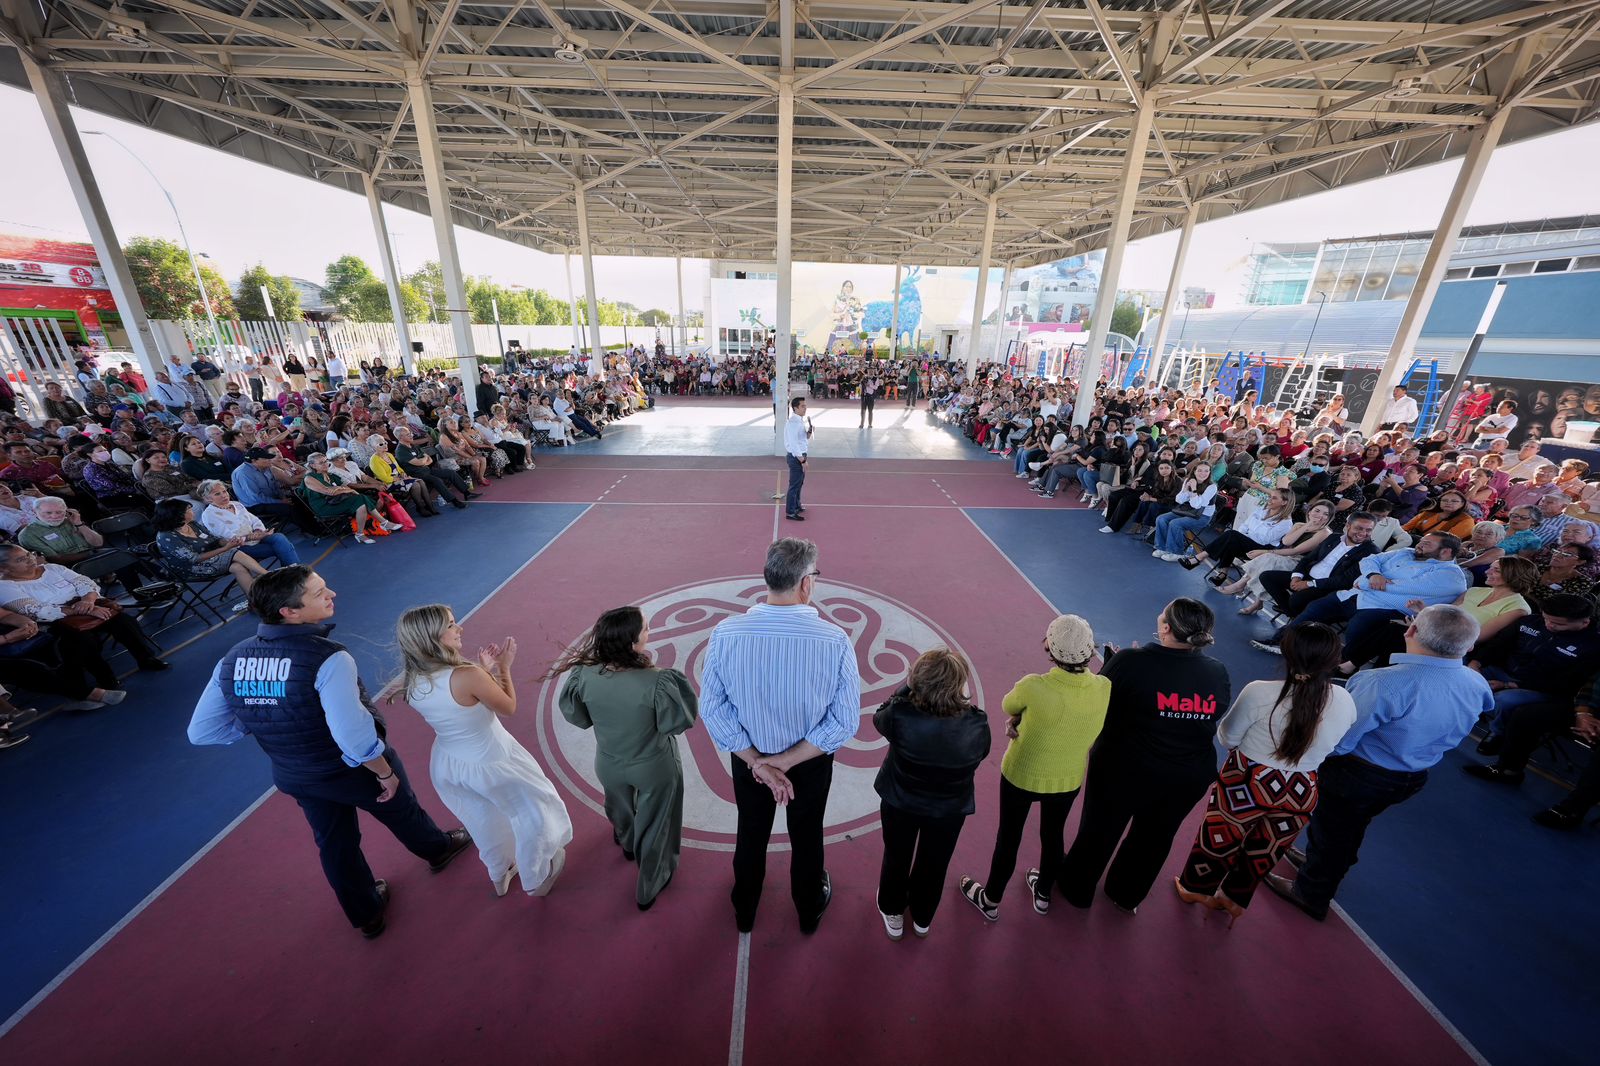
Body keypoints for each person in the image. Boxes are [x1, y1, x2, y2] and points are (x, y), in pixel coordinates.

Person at [187, 567, 471, 937]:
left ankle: (366, 914)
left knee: (335, 844)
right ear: (289, 611)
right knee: (401, 809)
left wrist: (266, 717)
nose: (332, 593)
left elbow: (203, 731)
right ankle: (437, 850)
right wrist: (383, 770)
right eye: (319, 592)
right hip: (350, 770)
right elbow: (352, 736)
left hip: (296, 775)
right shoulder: (329, 658)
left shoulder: (232, 659)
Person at [1266, 605, 1492, 921]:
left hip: (1360, 773)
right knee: (1348, 825)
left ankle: (1311, 893)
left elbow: (1342, 738)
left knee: (1336, 829)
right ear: (1469, 646)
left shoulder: (1381, 682)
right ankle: (1323, 860)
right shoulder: (1476, 682)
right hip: (1413, 775)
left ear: (1410, 631)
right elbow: (1482, 708)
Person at [698, 538, 860, 934]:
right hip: (809, 762)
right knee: (807, 834)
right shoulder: (834, 641)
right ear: (806, 584)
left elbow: (713, 709)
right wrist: (786, 763)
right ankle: (807, 908)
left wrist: (759, 763)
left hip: (750, 760)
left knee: (751, 831)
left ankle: (745, 909)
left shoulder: (726, 634)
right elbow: (844, 720)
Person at [1058, 598, 1232, 913]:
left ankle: (1076, 889)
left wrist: (1114, 665)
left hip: (1126, 768)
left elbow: (1099, 707)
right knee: (1155, 838)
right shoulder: (1216, 671)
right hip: (1187, 775)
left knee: (1100, 828)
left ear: (1165, 627)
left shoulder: (1130, 661)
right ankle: (1126, 895)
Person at [1174, 623, 1356, 922]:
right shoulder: (1345, 699)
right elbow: (1339, 744)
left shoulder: (1260, 692)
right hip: (1302, 788)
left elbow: (1228, 738)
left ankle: (1196, 888)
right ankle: (1234, 901)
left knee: (1220, 837)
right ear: (1334, 659)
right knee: (1265, 850)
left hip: (1247, 781)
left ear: (1287, 652)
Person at [396, 604, 573, 898]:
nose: (459, 628)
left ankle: (499, 874)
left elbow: (456, 702)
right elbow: (508, 707)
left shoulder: (411, 678)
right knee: (533, 813)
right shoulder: (467, 675)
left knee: (483, 821)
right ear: (433, 637)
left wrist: (482, 671)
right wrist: (502, 668)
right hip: (491, 760)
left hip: (448, 764)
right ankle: (536, 879)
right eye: (451, 625)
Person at [960, 615, 1106, 923]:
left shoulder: (1034, 686)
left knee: (1008, 837)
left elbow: (1008, 706)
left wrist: (1020, 719)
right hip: (1067, 779)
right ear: (1088, 651)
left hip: (1021, 774)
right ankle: (1043, 894)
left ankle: (991, 899)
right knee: (1053, 836)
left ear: (1051, 650)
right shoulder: (1104, 687)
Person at [554, 606, 699, 911]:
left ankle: (628, 843)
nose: (650, 631)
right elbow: (676, 724)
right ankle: (650, 882)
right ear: (633, 643)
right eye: (646, 629)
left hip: (608, 762)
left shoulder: (583, 674)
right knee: (658, 822)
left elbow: (578, 717)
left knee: (620, 809)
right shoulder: (658, 681)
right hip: (652, 765)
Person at [864, 647, 990, 940]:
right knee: (935, 862)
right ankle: (922, 917)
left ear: (919, 680)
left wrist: (907, 684)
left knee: (896, 856)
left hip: (900, 802)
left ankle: (892, 910)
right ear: (958, 685)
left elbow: (880, 715)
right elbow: (981, 753)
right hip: (949, 810)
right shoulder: (976, 722)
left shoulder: (899, 715)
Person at [1465, 594, 1600, 755]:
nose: (1549, 625)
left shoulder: (1593, 646)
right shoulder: (1529, 622)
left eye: (1558, 624)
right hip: (1502, 670)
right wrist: (1476, 663)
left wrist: (1509, 685)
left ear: (1584, 622)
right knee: (1462, 676)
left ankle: (1497, 733)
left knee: (1505, 700)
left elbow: (1569, 682)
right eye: (1546, 619)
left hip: (1542, 689)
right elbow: (1499, 644)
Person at [152, 498, 268, 598]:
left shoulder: (193, 524)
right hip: (192, 568)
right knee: (233, 552)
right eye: (189, 510)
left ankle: (254, 601)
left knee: (237, 566)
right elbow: (194, 558)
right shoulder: (166, 536)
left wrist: (229, 542)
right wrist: (226, 548)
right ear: (177, 515)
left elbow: (215, 540)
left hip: (213, 558)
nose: (192, 512)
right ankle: (268, 575)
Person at [784, 396, 812, 521]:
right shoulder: (793, 423)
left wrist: (809, 433)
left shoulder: (800, 420)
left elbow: (802, 439)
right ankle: (790, 512)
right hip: (796, 457)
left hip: (800, 455)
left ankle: (797, 505)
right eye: (802, 406)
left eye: (805, 406)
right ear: (795, 408)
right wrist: (803, 460)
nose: (805, 408)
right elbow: (794, 444)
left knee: (799, 483)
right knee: (794, 485)